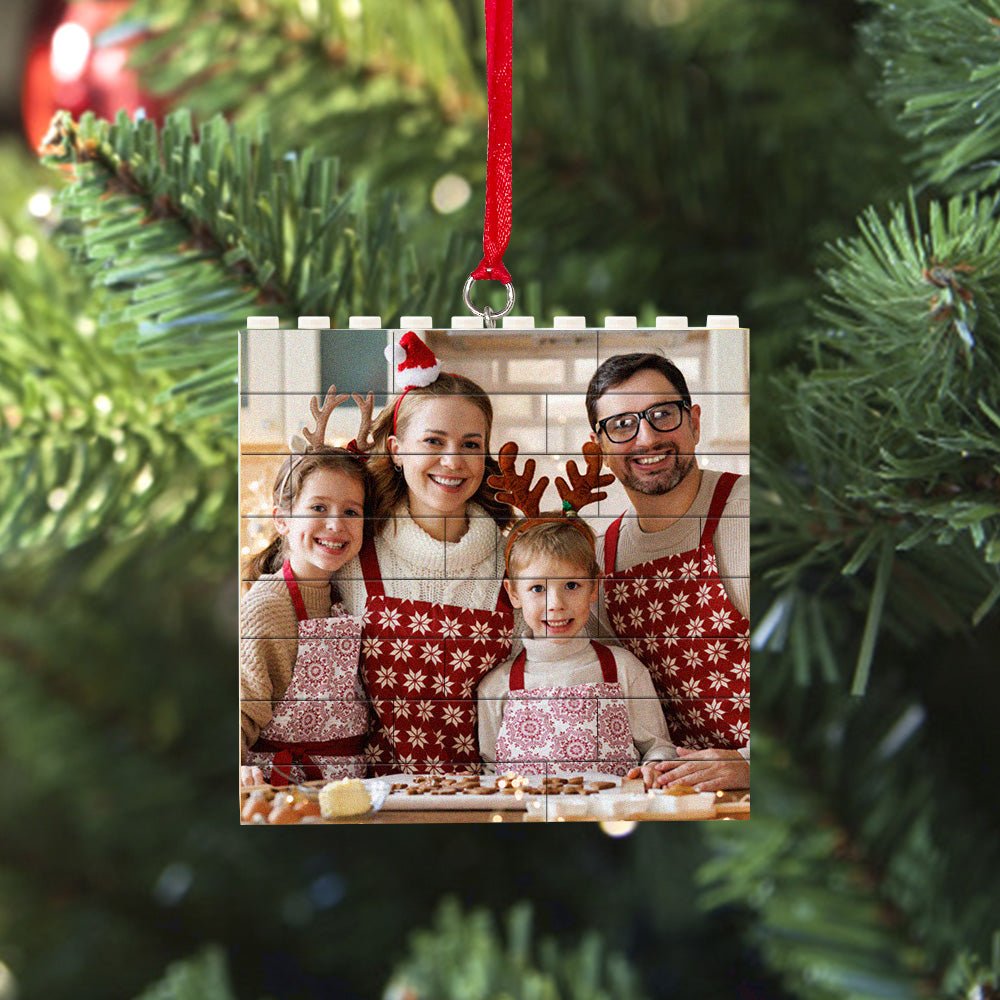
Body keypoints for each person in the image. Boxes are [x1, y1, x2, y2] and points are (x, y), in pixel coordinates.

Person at [333, 332, 515, 774]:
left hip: (493, 800)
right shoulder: (351, 556)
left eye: (471, 444)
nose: (453, 462)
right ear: (396, 451)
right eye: (433, 442)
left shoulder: (517, 558)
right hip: (377, 803)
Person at [586, 353, 750, 792]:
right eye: (621, 425)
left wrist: (751, 765)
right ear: (599, 447)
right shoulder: (601, 559)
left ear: (694, 422)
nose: (646, 438)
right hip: (674, 798)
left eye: (662, 415)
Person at [477, 442, 677, 776]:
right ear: (513, 593)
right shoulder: (496, 687)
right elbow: (490, 769)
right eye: (537, 588)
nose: (555, 605)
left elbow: (658, 747)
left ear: (593, 587)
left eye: (571, 585)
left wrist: (655, 767)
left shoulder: (624, 670)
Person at [239, 388, 372, 787]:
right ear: (282, 519)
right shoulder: (269, 605)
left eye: (351, 511)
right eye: (318, 508)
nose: (336, 524)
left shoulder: (346, 596)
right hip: (288, 788)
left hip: (348, 790)